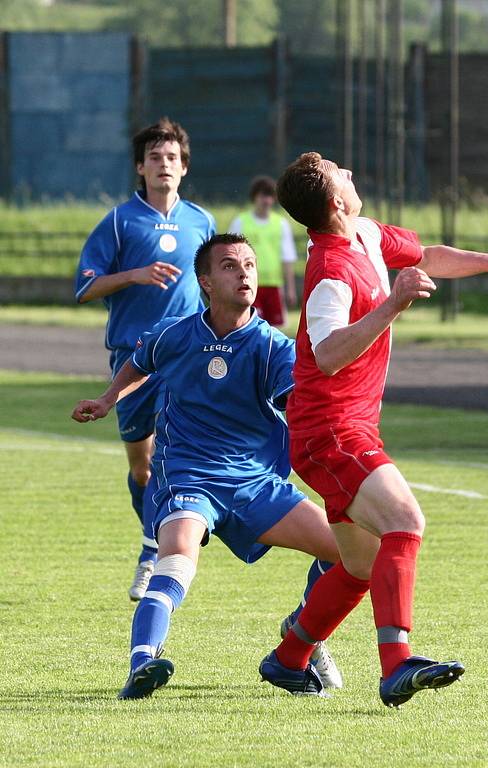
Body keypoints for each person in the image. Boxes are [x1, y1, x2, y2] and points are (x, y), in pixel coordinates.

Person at [259, 151, 488, 707]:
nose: (350, 170)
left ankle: (289, 657)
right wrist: (392, 303)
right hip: (329, 433)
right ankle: (396, 664)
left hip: (348, 427)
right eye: (342, 172)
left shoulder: (364, 235)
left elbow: (428, 256)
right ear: (336, 201)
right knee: (406, 520)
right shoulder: (329, 273)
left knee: (362, 566)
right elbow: (327, 355)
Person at [71, 233, 344, 700]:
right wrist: (107, 398)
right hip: (189, 475)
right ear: (206, 282)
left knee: (347, 550)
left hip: (255, 484)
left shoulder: (273, 347)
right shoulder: (176, 334)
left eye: (250, 265)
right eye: (230, 266)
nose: (244, 274)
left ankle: (304, 630)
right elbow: (138, 362)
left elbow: (293, 401)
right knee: (177, 556)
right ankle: (142, 666)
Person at [75, 118, 215, 601]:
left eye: (172, 158)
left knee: (176, 457)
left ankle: (158, 550)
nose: (164, 165)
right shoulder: (119, 221)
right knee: (143, 467)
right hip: (133, 360)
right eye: (155, 157)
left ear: (184, 167)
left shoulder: (202, 222)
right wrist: (133, 274)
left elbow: (214, 287)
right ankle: (151, 536)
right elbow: (85, 287)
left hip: (185, 357)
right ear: (140, 166)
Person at [229, 175, 297, 326]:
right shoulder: (240, 222)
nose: (266, 200)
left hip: (274, 285)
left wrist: (290, 289)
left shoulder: (281, 224)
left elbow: (287, 258)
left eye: (270, 196)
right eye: (262, 196)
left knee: (275, 330)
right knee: (248, 325)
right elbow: (229, 256)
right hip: (248, 284)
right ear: (255, 197)